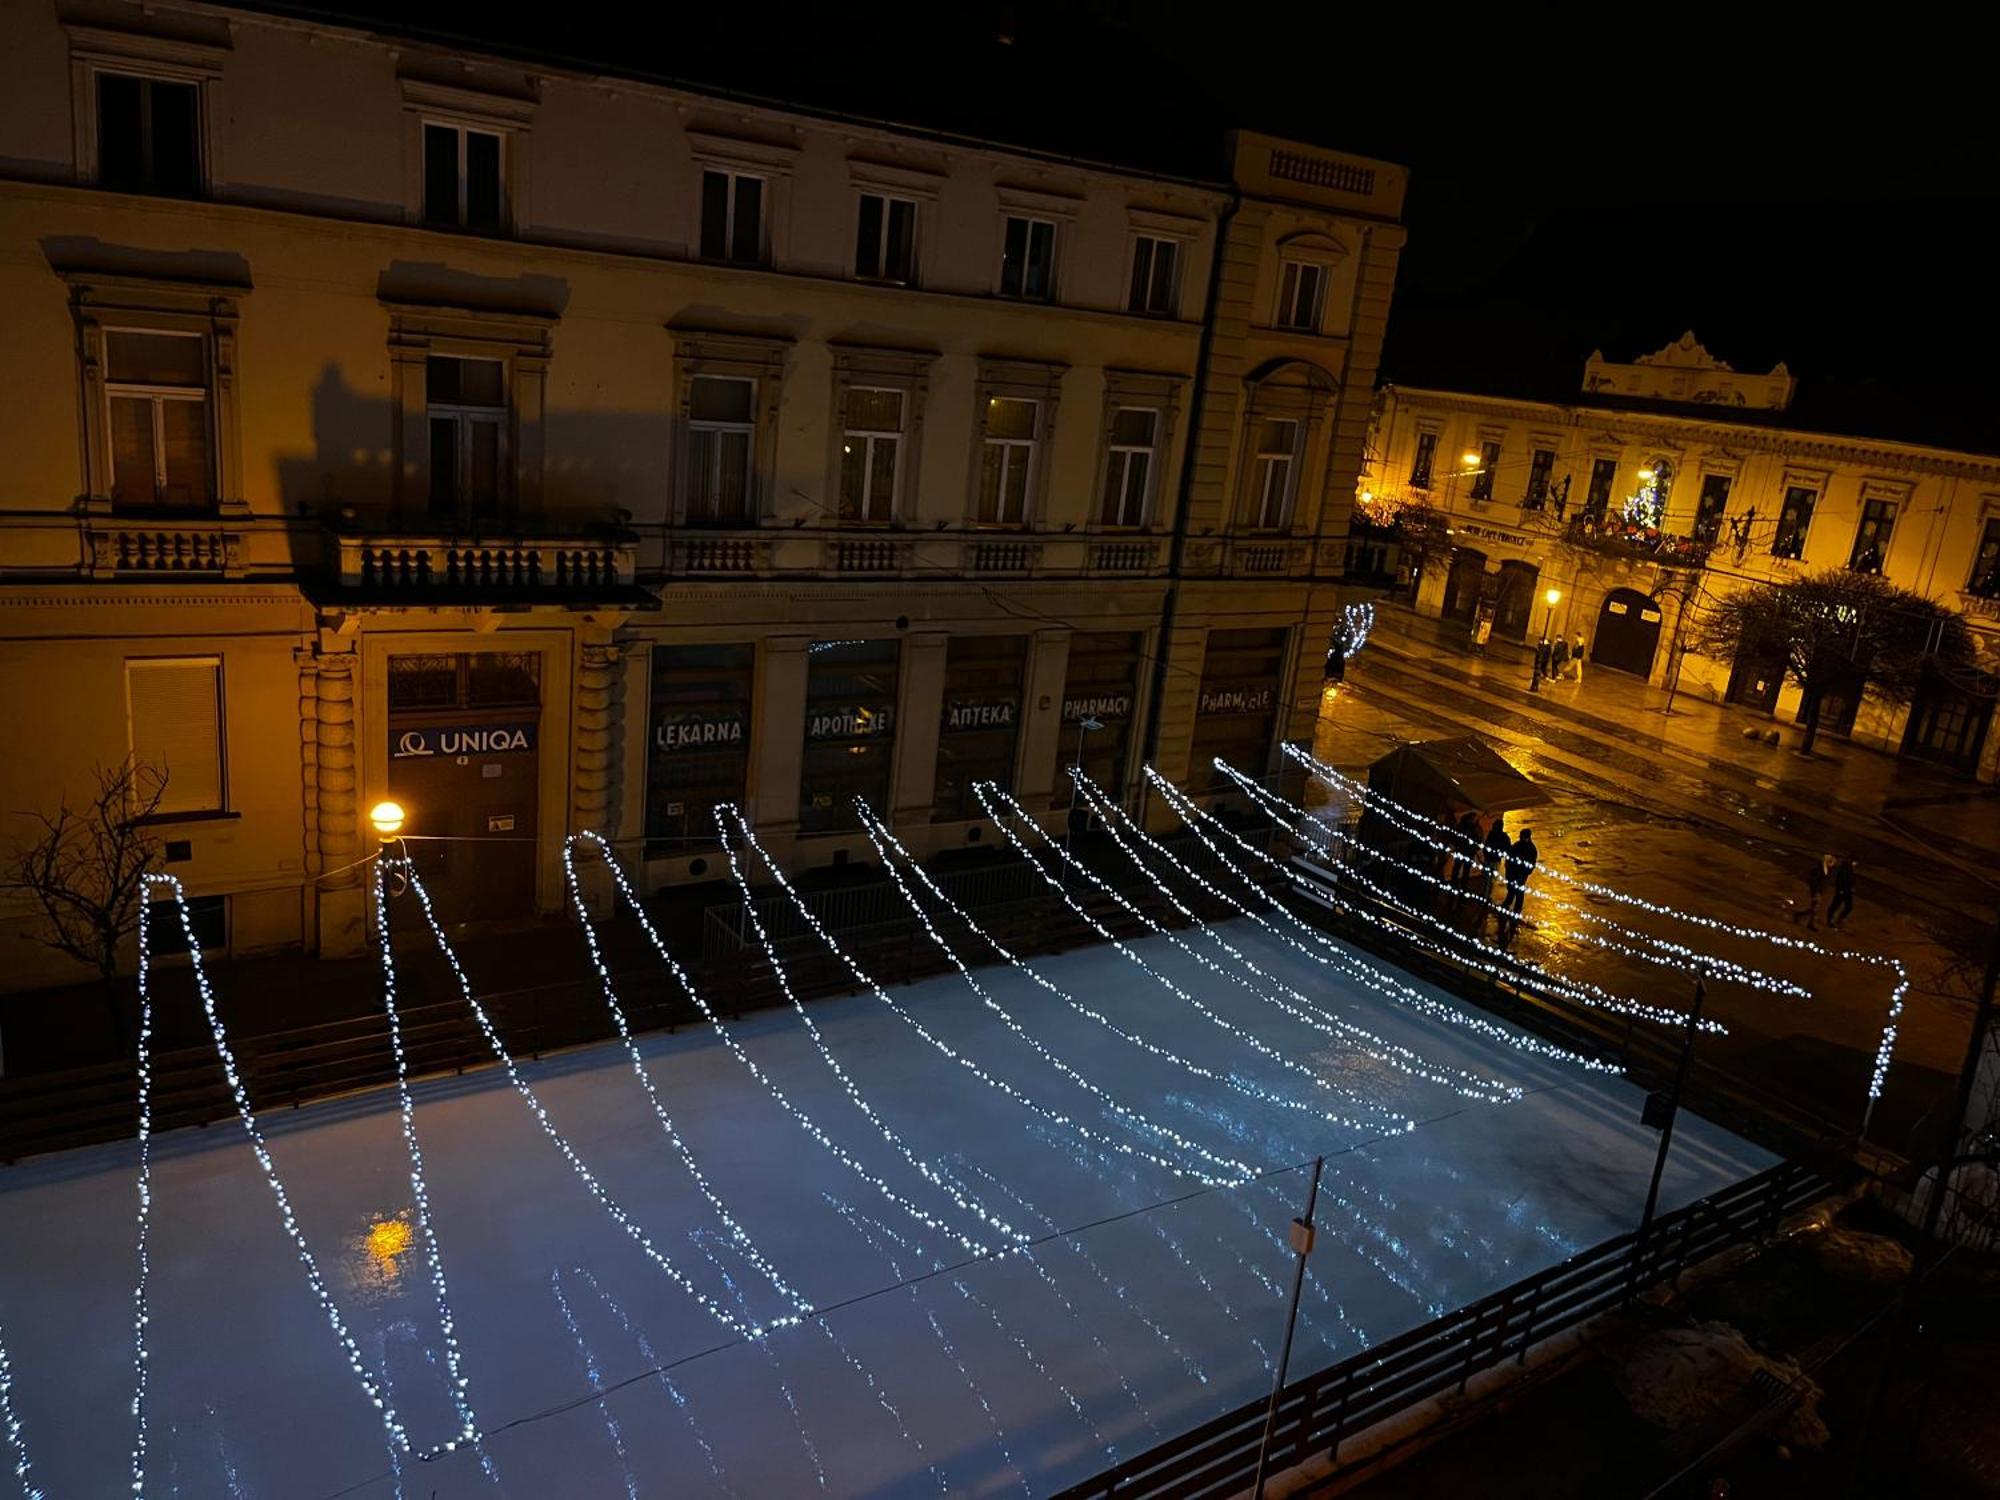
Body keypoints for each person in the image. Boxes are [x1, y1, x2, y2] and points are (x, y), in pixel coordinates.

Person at [1501, 827, 1539, 944]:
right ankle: (1509, 909)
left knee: (1517, 893)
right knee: (1513, 891)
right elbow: (1509, 858)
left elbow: (1531, 864)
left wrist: (1524, 873)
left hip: (1520, 874)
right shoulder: (1519, 846)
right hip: (1514, 873)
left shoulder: (1530, 849)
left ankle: (1514, 910)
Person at [1473, 816, 1511, 934]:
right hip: (1492, 860)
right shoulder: (1503, 837)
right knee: (1489, 878)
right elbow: (1506, 849)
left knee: (1489, 878)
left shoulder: (1496, 835)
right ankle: (1486, 894)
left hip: (1492, 860)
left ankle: (1486, 894)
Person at [1791, 854, 1832, 928]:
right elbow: (1813, 881)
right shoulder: (1819, 869)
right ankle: (1800, 916)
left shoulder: (1825, 869)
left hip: (1819, 891)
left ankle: (1808, 921)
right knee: (1815, 908)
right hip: (1816, 891)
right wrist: (1816, 891)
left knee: (1815, 908)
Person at [1826, 855, 1856, 929]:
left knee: (1848, 906)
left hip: (1847, 891)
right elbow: (1840, 881)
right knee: (1835, 905)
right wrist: (1840, 890)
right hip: (1842, 891)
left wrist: (1851, 888)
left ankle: (1838, 920)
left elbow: (1850, 880)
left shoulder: (1850, 869)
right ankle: (1830, 920)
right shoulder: (1844, 869)